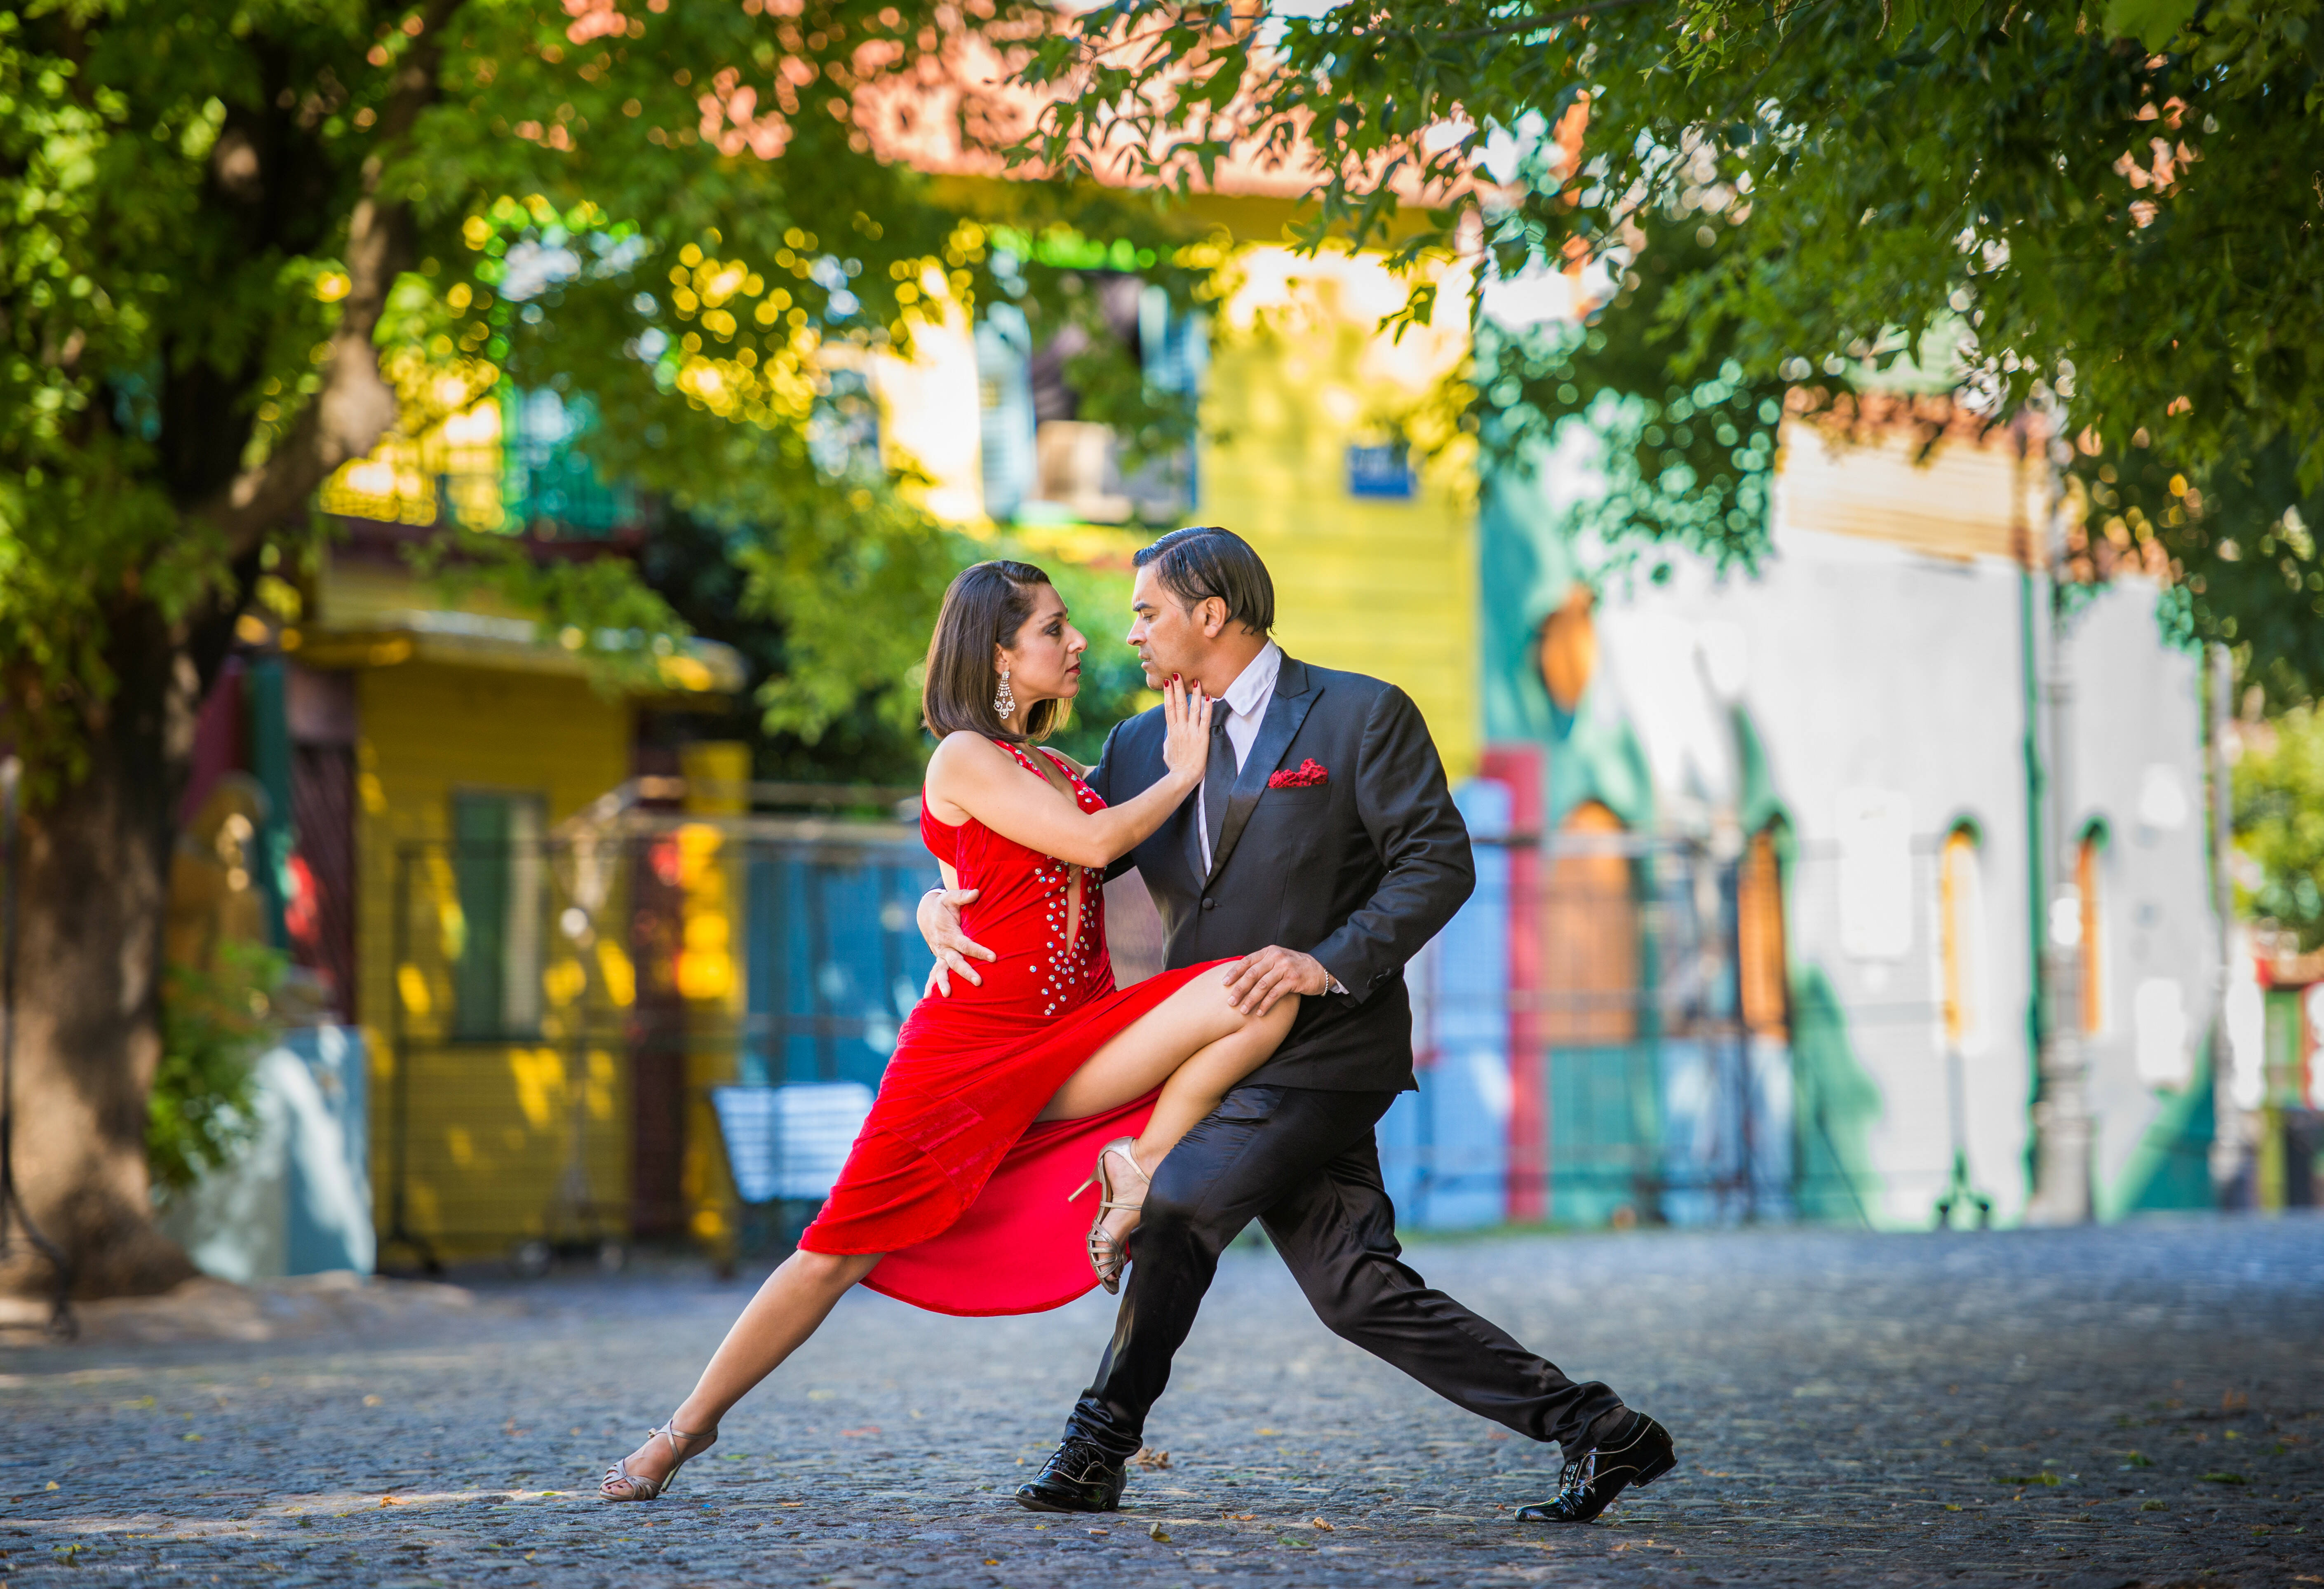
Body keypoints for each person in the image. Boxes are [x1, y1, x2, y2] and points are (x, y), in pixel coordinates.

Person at [919, 526, 1676, 1525]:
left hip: (1328, 1047)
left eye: (1147, 611)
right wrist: (940, 902)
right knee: (1356, 1288)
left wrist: (1325, 961)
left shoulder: (1362, 714)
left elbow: (1437, 864)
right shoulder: (1141, 745)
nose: (1130, 633)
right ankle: (1603, 1429)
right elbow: (1046, 855)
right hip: (1214, 1054)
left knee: (1177, 1203)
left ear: (1210, 613)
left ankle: (1095, 1444)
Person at [599, 559, 1301, 1502]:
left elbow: (993, 864)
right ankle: (684, 1429)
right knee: (831, 1254)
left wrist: (939, 896)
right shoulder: (961, 754)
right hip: (967, 1055)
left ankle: (1135, 1166)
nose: (1080, 640)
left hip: (1077, 1036)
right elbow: (1093, 845)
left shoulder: (1051, 765)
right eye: (1054, 628)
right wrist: (1182, 773)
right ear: (998, 654)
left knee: (1263, 992)